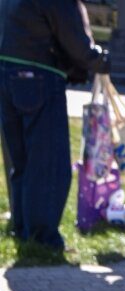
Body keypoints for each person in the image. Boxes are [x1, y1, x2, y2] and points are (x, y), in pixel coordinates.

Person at [0, 0, 109, 250]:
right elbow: (73, 38)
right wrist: (97, 59)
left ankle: (23, 228)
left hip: (7, 74)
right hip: (38, 78)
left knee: (22, 161)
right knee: (48, 163)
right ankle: (43, 238)